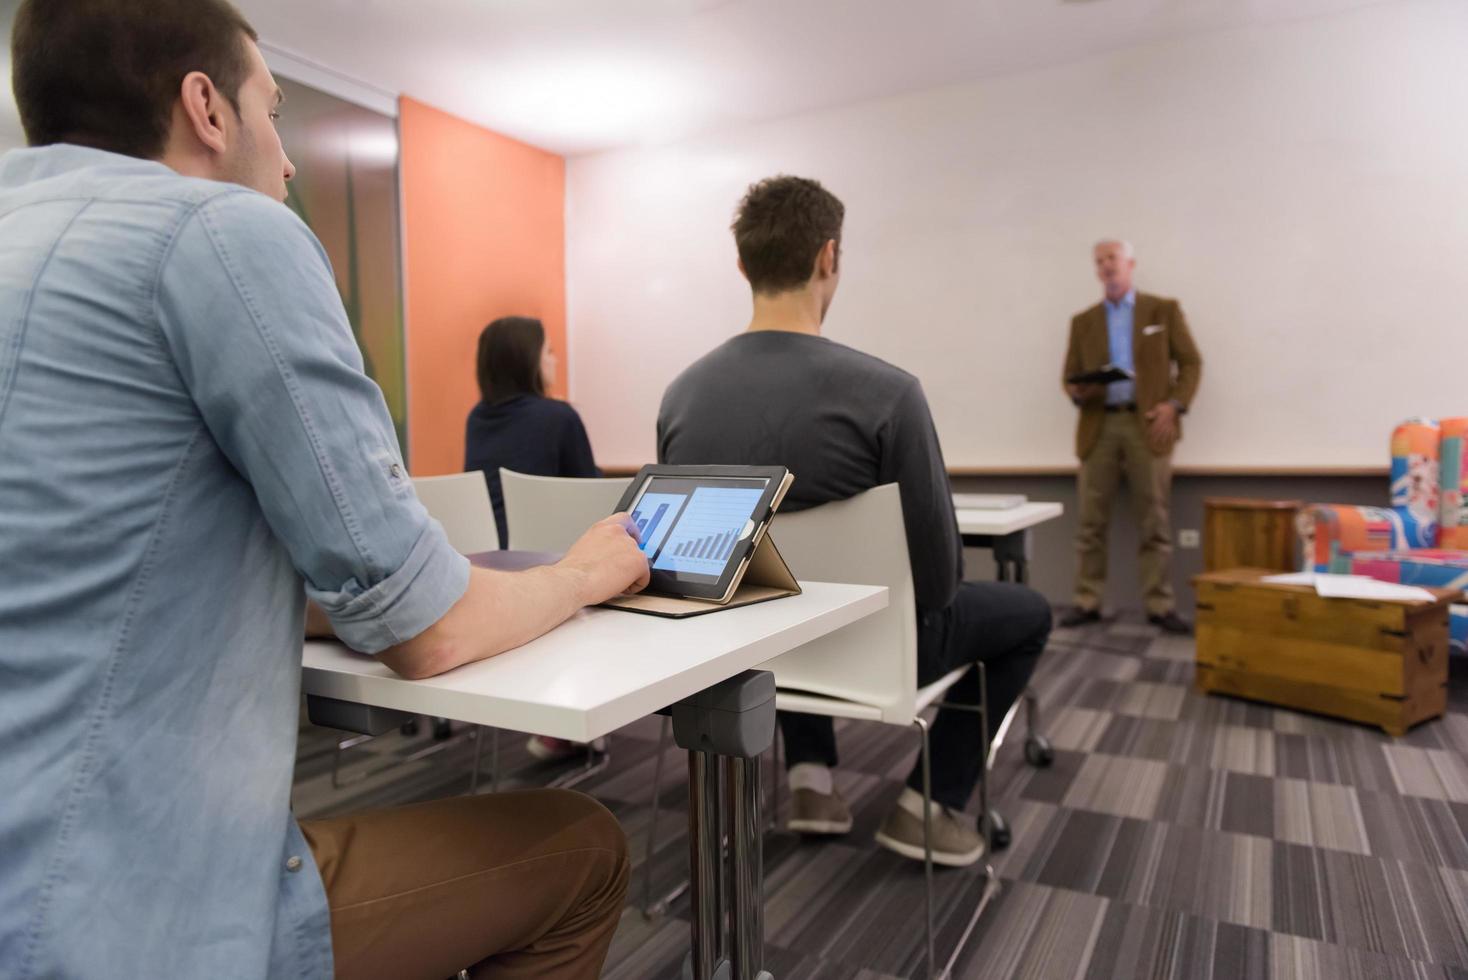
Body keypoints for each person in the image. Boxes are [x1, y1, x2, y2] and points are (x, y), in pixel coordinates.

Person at [0, 2, 648, 977]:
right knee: (584, 849)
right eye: (274, 110)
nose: (290, 159)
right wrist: (585, 573)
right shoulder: (222, 233)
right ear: (206, 109)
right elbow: (428, 630)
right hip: (116, 909)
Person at [657, 175, 1051, 867]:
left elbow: (685, 559)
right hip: (875, 652)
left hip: (738, 655)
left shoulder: (681, 395)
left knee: (787, 596)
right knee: (1028, 612)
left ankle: (811, 779)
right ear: (829, 258)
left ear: (743, 264)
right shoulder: (888, 394)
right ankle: (928, 806)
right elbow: (938, 584)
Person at [1060, 240, 1202, 634]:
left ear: (1130, 264)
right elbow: (1069, 376)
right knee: (1090, 522)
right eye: (1100, 261)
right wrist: (1078, 390)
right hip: (1099, 425)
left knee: (1154, 519)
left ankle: (1160, 605)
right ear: (1096, 269)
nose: (1107, 266)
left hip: (1149, 427)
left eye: (1113, 259)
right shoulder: (1083, 321)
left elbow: (1190, 362)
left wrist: (1174, 405)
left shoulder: (1163, 310)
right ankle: (1087, 601)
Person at [464, 315, 598, 548]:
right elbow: (589, 494)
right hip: (546, 556)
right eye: (549, 351)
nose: (555, 360)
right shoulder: (559, 416)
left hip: (482, 555)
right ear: (528, 360)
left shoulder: (476, 418)